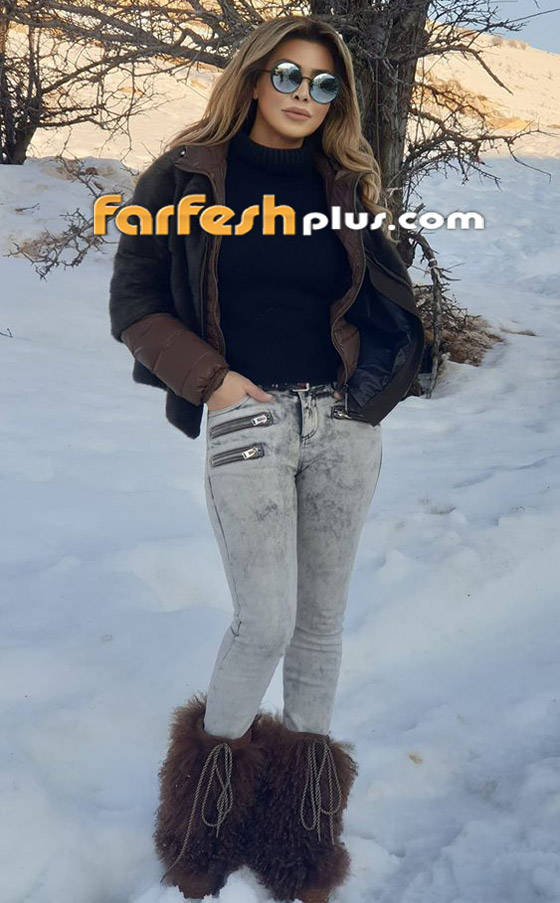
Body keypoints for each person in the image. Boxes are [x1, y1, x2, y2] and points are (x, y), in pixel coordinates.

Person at [109, 14, 425, 903]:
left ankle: (300, 840)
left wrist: (378, 388)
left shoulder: (344, 184)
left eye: (324, 83)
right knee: (265, 621)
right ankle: (202, 829)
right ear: (253, 77)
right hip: (247, 417)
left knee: (322, 624)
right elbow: (135, 304)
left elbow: (389, 304)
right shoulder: (184, 177)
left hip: (343, 424)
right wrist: (213, 382)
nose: (303, 95)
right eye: (288, 75)